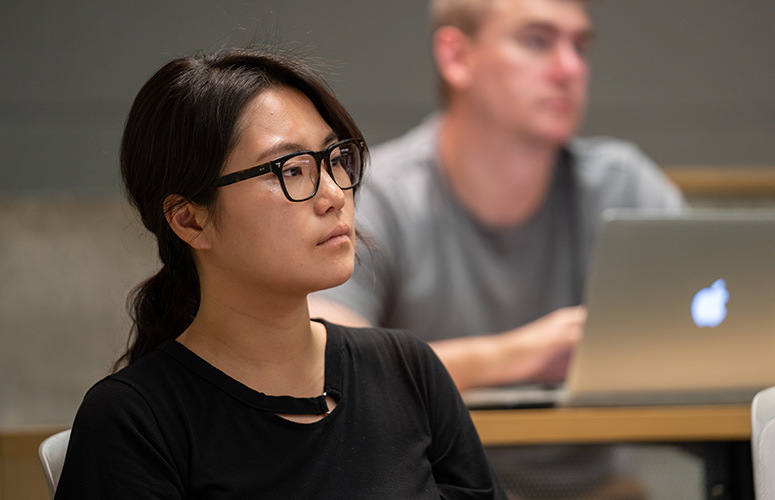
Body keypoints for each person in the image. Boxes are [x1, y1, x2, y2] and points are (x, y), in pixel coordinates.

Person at [55, 47, 506, 499]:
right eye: (290, 170)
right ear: (190, 220)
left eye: (334, 158)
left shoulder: (407, 370)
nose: (333, 194)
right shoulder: (134, 420)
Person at [309, 0, 685, 498]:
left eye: (580, 46)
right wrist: (524, 354)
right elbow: (326, 363)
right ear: (456, 57)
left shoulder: (623, 183)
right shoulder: (379, 196)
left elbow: (725, 326)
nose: (570, 68)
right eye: (537, 41)